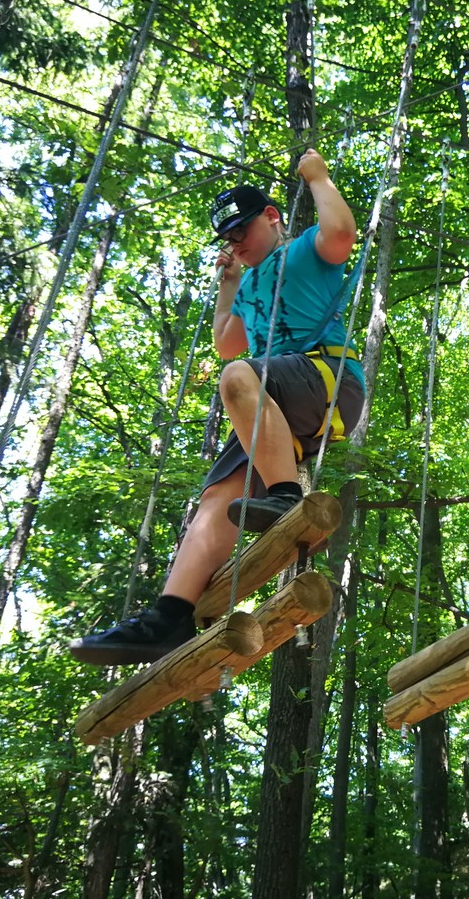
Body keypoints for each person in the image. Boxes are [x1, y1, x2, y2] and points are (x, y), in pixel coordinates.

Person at [70, 148, 366, 665]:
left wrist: (317, 176)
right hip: (275, 399)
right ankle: (169, 616)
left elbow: (342, 233)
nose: (236, 244)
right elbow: (229, 341)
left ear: (271, 218)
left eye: (241, 232)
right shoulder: (249, 281)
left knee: (238, 377)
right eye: (227, 238)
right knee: (216, 499)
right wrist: (227, 285)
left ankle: (285, 494)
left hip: (328, 379)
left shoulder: (301, 252)